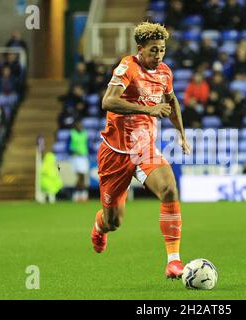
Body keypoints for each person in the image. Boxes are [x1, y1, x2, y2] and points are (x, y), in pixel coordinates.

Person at [92, 22, 190, 279]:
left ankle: (173, 261)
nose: (158, 55)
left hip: (144, 149)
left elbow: (172, 101)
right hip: (115, 152)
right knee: (114, 222)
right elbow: (108, 101)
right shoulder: (127, 67)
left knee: (169, 187)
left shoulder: (164, 72)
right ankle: (100, 226)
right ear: (140, 49)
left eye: (162, 50)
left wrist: (181, 133)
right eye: (154, 50)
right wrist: (148, 109)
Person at [69, 120, 90, 202]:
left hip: (84, 157)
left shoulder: (85, 133)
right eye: (78, 124)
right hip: (76, 157)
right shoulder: (72, 134)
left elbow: (87, 145)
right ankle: (77, 194)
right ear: (75, 126)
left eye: (81, 124)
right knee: (79, 176)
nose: (80, 126)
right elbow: (68, 146)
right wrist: (72, 151)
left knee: (83, 177)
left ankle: (82, 195)